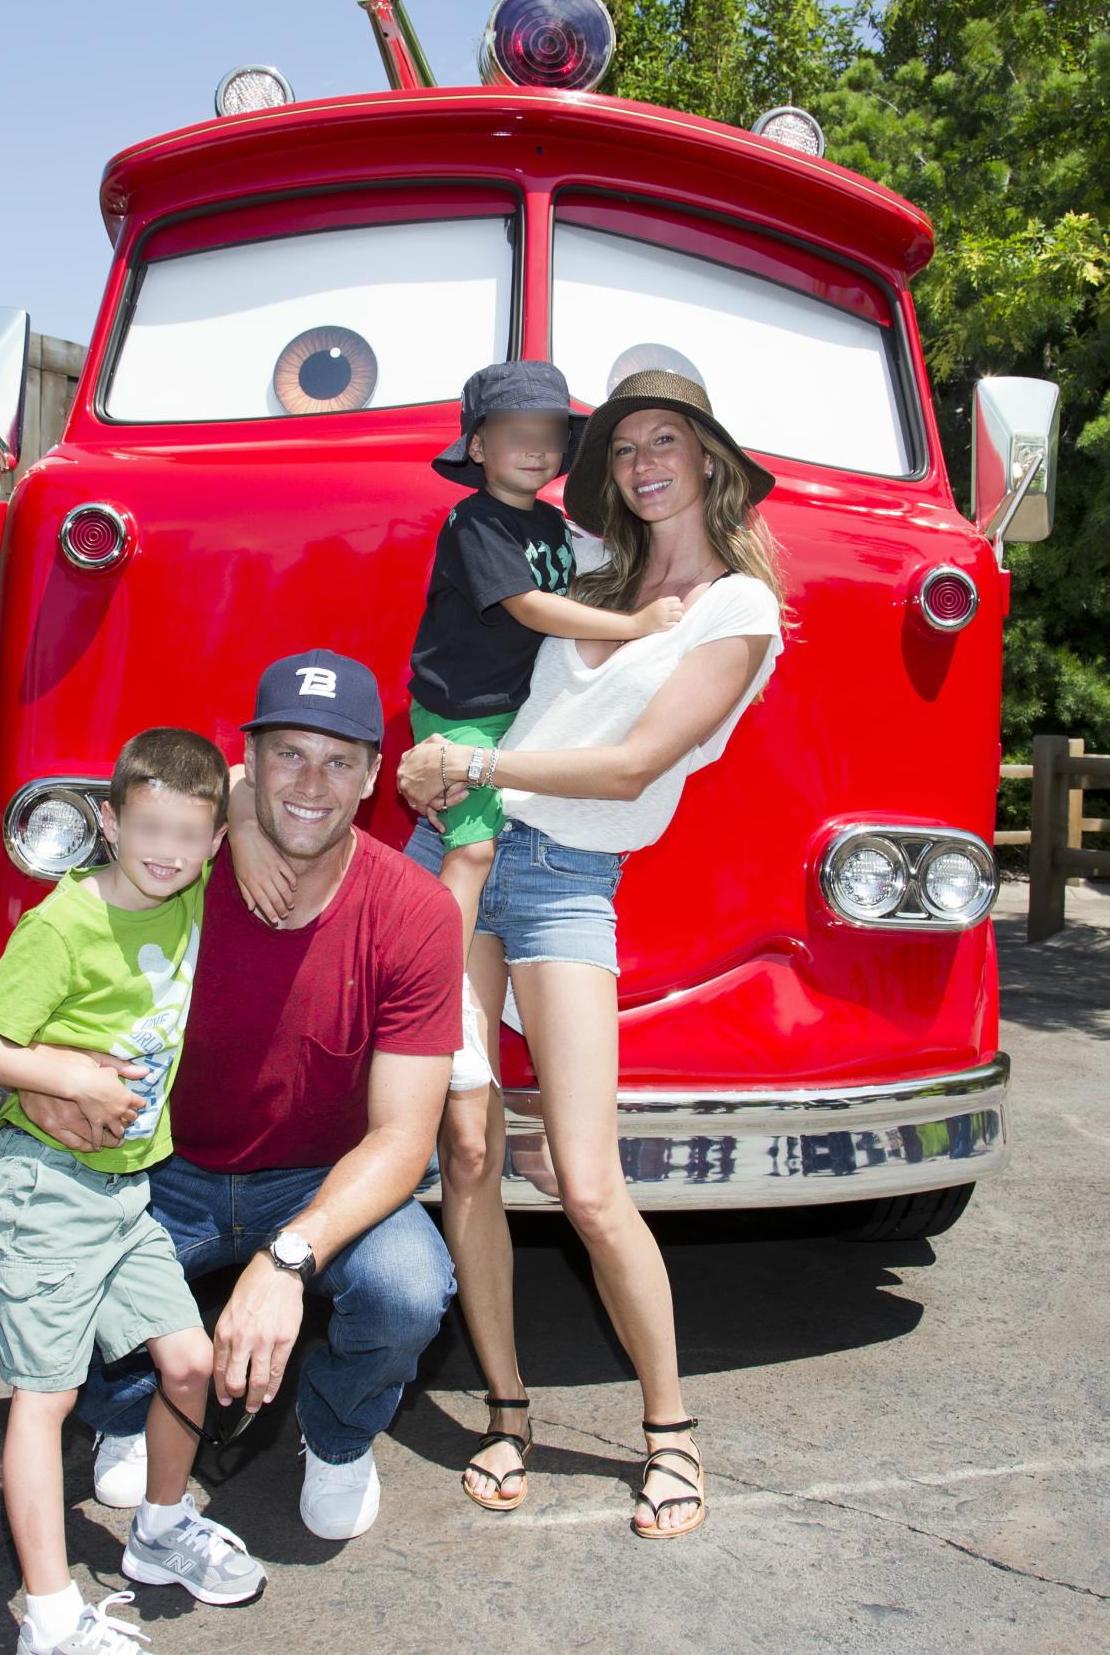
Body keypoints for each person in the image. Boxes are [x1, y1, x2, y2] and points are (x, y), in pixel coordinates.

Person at [397, 366, 786, 1539]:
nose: (639, 462)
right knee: (466, 1145)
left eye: (662, 439)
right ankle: (505, 1407)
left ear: (709, 457)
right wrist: (436, 763)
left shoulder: (737, 611)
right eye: (620, 446)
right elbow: (474, 655)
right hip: (460, 845)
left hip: (564, 881)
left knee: (587, 1180)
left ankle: (669, 1432)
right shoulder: (584, 568)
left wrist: (471, 764)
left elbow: (627, 767)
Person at [16, 651, 463, 1548]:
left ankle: (338, 1436)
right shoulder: (175, 864)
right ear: (248, 761)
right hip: (159, 1163)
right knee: (38, 1248)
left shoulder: (416, 911)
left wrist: (288, 1259)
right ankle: (125, 1408)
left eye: (338, 761)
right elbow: (48, 983)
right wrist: (52, 1077)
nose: (311, 783)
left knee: (409, 1287)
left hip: (316, 1181)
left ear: (374, 776)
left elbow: (403, 1138)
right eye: (287, 754)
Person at [0, 728, 266, 1655]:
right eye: (149, 830)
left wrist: (231, 797)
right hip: (46, 1189)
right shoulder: (64, 924)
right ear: (108, 822)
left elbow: (240, 784)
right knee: (44, 1400)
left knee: (190, 1361)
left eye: (189, 836)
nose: (167, 852)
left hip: (127, 1193)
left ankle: (160, 1533)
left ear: (214, 842)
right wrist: (71, 1077)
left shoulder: (190, 888)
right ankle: (50, 1621)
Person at [405, 360, 686, 1090]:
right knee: (470, 852)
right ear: (477, 446)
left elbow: (610, 559)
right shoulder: (475, 521)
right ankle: (442, 1005)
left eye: (550, 435)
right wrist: (636, 625)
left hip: (517, 716)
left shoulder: (553, 525)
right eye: (515, 433)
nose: (535, 449)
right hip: (463, 715)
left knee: (487, 841)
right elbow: (529, 607)